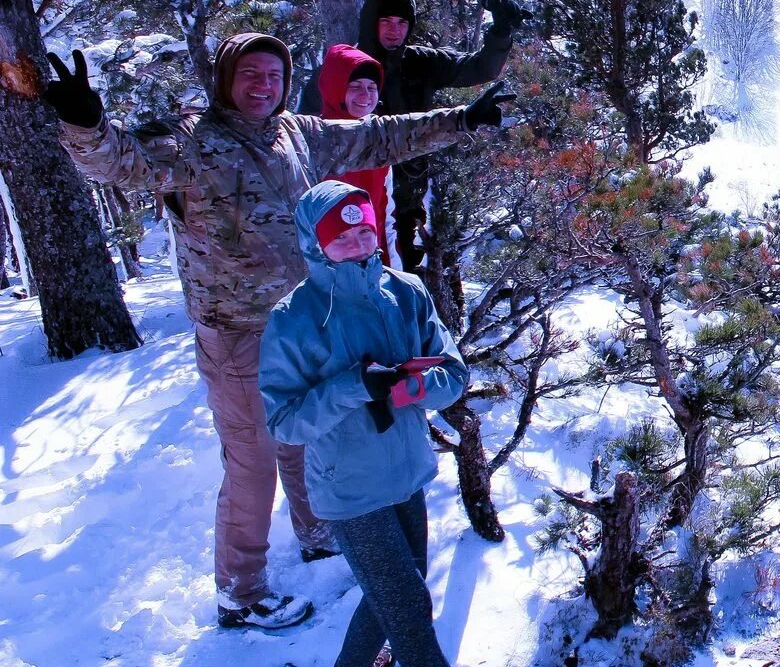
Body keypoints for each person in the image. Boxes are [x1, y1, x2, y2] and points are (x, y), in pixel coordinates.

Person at [42, 34, 513, 629]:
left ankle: (316, 530)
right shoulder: (192, 141)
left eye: (274, 73)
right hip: (236, 332)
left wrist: (462, 119)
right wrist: (87, 123)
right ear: (224, 80)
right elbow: (119, 162)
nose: (263, 85)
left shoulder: (295, 133)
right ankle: (240, 591)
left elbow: (376, 135)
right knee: (253, 460)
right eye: (250, 74)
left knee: (306, 433)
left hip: (303, 322)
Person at [261, 180, 466, 667]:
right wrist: (355, 386)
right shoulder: (293, 319)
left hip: (408, 471)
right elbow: (284, 421)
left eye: (365, 234)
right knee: (410, 610)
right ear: (315, 244)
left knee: (388, 602)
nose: (357, 247)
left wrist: (412, 388)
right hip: (350, 489)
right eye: (341, 238)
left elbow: (455, 374)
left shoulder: (407, 292)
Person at [355, 0, 529, 270]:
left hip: (406, 204)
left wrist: (500, 33)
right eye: (385, 21)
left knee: (407, 283)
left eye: (402, 22)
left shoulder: (418, 61)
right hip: (358, 203)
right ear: (370, 22)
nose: (394, 30)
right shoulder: (347, 65)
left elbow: (479, 68)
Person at [318, 43, 399, 267]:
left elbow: (386, 217)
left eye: (372, 87)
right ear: (335, 87)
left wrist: (392, 271)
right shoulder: (312, 142)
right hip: (323, 273)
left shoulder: (379, 145)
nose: (365, 95)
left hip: (370, 265)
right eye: (355, 86)